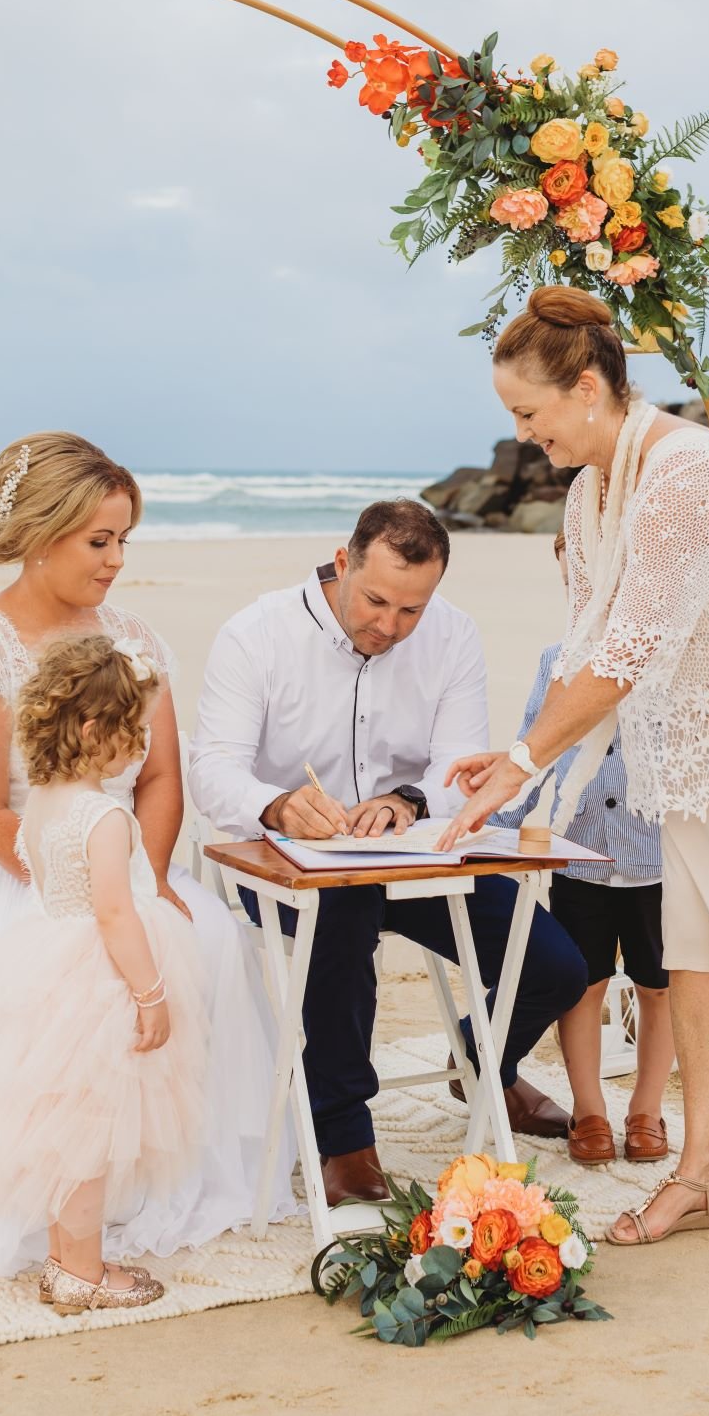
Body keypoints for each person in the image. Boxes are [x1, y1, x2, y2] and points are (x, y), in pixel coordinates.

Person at [439, 286, 709, 1261]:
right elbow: (583, 646)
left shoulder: (691, 475)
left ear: (589, 387)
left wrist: (521, 765)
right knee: (695, 948)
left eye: (529, 414)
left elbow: (623, 657)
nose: (523, 436)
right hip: (688, 728)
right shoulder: (589, 490)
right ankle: (706, 1171)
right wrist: (519, 758)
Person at [0, 431, 293, 1288]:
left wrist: (151, 876)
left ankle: (167, 1173)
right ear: (44, 535)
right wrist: (84, 890)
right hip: (19, 861)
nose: (117, 560)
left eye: (125, 539)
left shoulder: (133, 638)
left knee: (209, 943)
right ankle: (53, 1205)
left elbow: (161, 777)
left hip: (116, 856)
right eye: (99, 540)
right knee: (73, 973)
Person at [189, 498, 588, 1206]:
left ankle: (481, 1060)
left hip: (417, 854)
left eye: (411, 610)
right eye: (375, 600)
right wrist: (278, 805)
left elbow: (457, 762)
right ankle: (342, 1134)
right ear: (343, 563)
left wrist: (406, 799)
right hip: (285, 864)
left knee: (556, 966)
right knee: (343, 919)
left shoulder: (453, 635)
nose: (389, 625)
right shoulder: (256, 635)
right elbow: (213, 768)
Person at [0, 634, 207, 1314]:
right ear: (92, 729)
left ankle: (65, 1261)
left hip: (46, 969)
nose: (141, 744)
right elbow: (114, 911)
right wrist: (152, 992)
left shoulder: (45, 805)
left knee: (64, 1130)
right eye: (132, 728)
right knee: (90, 1134)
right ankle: (83, 1272)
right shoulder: (103, 815)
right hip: (101, 982)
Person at [495, 527, 673, 1166]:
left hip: (662, 860)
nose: (588, 592)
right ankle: (591, 1107)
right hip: (582, 855)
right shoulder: (558, 661)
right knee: (585, 986)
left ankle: (647, 1107)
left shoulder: (669, 656)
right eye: (576, 580)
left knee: (660, 988)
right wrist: (499, 819)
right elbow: (530, 746)